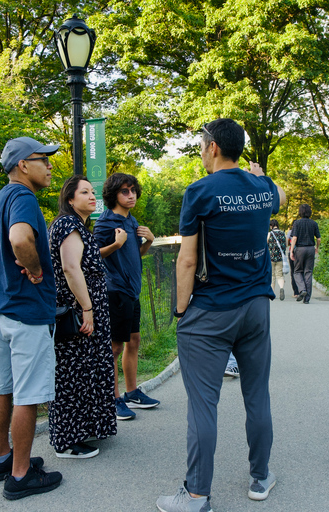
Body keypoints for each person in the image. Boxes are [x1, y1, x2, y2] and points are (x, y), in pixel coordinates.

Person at [156, 118, 286, 512]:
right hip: (255, 309)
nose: (200, 149)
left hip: (211, 310)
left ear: (212, 147)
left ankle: (196, 495)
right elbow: (278, 191)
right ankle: (261, 477)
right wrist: (259, 175)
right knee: (256, 395)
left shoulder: (199, 192)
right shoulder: (262, 188)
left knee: (202, 405)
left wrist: (181, 310)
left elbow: (187, 260)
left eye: (201, 144)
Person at [0, 136, 62, 500]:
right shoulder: (23, 197)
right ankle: (20, 475)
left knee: (1, 389)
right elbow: (19, 239)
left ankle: (1, 459)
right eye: (42, 159)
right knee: (28, 395)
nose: (49, 165)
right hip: (26, 312)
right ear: (22, 165)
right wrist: (35, 270)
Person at [48, 175, 117, 459]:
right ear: (70, 198)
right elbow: (70, 269)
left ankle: (85, 428)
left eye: (93, 192)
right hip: (78, 313)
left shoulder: (78, 226)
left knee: (87, 370)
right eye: (84, 192)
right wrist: (87, 309)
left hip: (88, 310)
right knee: (72, 373)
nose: (92, 196)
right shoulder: (67, 224)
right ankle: (66, 441)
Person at [93, 172, 160, 421]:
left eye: (132, 190)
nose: (130, 195)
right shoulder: (105, 223)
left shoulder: (131, 222)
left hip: (132, 291)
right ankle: (114, 399)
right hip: (115, 291)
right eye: (124, 191)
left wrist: (149, 242)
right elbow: (92, 255)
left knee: (134, 341)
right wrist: (116, 244)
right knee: (114, 347)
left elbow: (135, 255)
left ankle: (132, 392)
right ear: (114, 195)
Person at [290, 203, 321, 304]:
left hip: (300, 249)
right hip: (310, 249)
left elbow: (294, 238)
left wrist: (291, 251)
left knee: (297, 271)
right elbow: (319, 238)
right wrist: (317, 247)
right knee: (308, 272)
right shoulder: (314, 223)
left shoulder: (297, 223)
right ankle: (307, 299)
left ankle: (302, 289)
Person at [267, 219, 287, 301]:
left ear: (271, 226)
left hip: (271, 257)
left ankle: (272, 293)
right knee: (279, 275)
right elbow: (286, 245)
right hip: (280, 258)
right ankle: (281, 288)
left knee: (272, 275)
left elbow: (265, 244)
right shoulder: (283, 233)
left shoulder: (269, 234)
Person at [286, 228, 300, 299]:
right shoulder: (301, 230)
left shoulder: (291, 231)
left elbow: (287, 240)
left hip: (292, 252)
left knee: (293, 272)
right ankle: (302, 290)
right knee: (300, 271)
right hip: (300, 252)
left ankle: (296, 292)